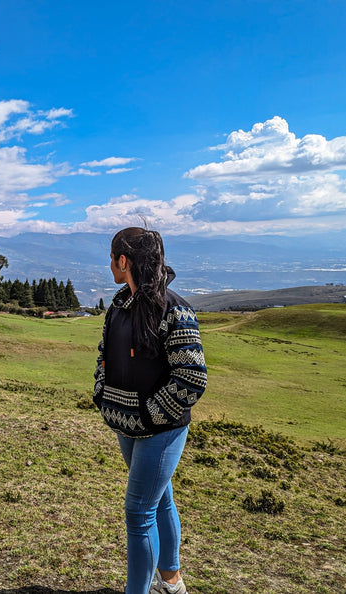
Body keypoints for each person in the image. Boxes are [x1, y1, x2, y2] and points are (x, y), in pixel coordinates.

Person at [93, 227, 207, 594]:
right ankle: (171, 582)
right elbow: (104, 356)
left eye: (112, 258)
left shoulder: (175, 309)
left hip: (161, 431)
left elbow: (191, 377)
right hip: (126, 427)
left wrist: (148, 416)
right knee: (160, 499)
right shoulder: (119, 306)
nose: (110, 264)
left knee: (138, 511)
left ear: (123, 261)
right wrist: (103, 396)